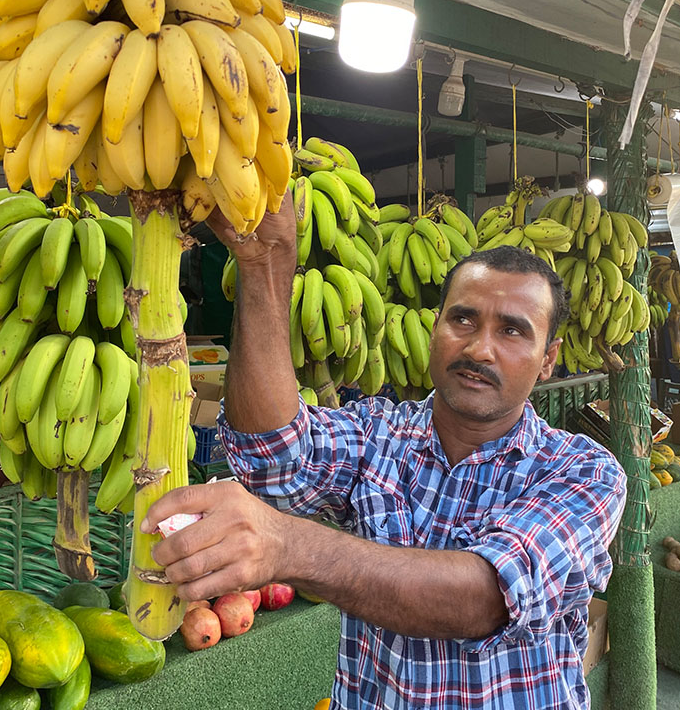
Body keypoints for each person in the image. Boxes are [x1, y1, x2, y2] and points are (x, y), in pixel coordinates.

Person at [143, 197, 627, 709]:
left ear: (548, 358)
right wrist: (264, 262)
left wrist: (289, 546)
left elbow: (485, 597)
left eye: (512, 330)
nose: (480, 349)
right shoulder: (381, 434)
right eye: (462, 319)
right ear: (435, 326)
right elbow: (272, 454)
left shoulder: (585, 472)